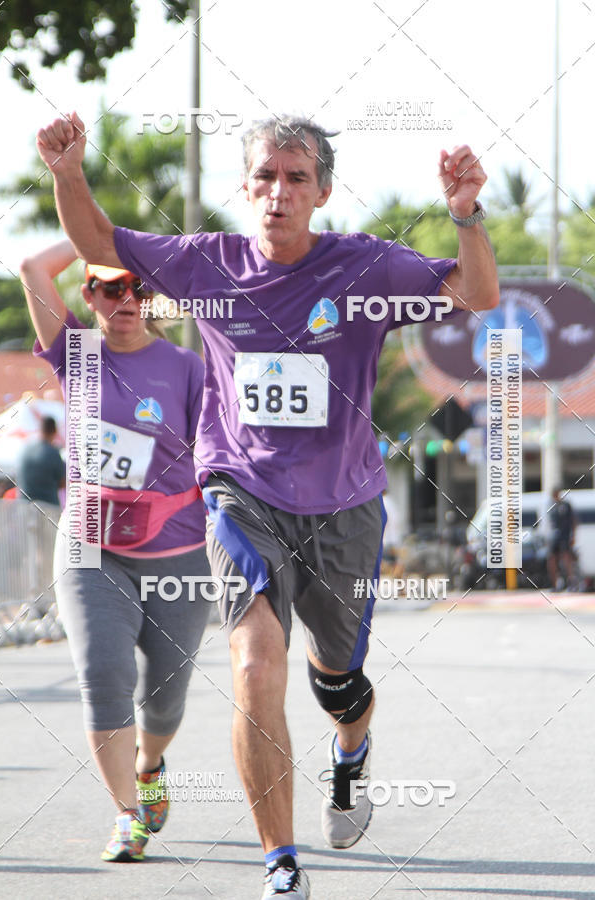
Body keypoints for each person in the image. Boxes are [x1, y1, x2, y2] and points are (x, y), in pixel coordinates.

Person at [36, 110, 499, 898]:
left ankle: (350, 753)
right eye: (264, 176)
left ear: (322, 191)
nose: (277, 192)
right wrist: (69, 174)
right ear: (245, 186)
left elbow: (477, 294)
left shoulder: (367, 269)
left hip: (344, 506)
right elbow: (100, 245)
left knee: (338, 684)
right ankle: (280, 862)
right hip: (240, 491)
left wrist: (466, 216)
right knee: (254, 661)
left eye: (295, 178)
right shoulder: (205, 263)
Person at [19, 239, 211, 863]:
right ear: (90, 296)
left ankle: (149, 764)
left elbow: (219, 456)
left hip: (177, 550)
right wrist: (94, 236)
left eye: (138, 287)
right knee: (103, 675)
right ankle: (127, 815)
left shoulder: (189, 366)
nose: (125, 298)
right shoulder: (76, 353)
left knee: (165, 695)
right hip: (89, 547)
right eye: (109, 286)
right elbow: (30, 268)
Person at [16, 414, 65, 506]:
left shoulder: (25, 449)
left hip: (24, 507)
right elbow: (62, 482)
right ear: (54, 432)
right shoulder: (53, 452)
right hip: (48, 508)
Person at [547, 487, 577, 590]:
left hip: (565, 536)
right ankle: (554, 584)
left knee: (566, 558)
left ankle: (571, 583)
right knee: (552, 559)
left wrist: (573, 535)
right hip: (555, 537)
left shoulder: (565, 505)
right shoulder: (551, 506)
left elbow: (573, 521)